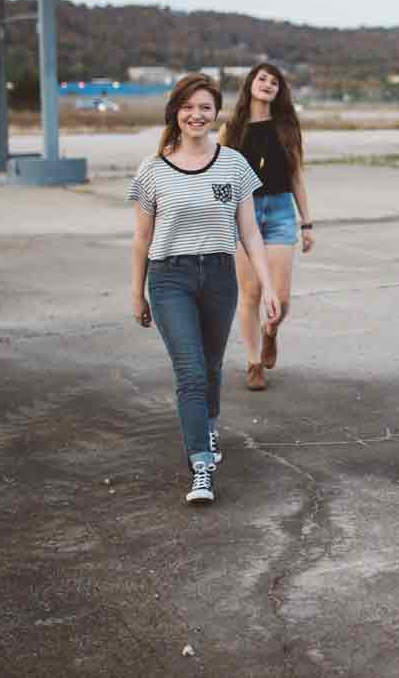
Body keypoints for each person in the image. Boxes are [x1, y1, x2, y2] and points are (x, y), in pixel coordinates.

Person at [129, 73, 281, 505]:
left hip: (218, 275)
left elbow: (250, 231)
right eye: (188, 107)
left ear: (216, 114)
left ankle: (209, 428)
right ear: (175, 111)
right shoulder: (152, 169)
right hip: (169, 278)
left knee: (211, 366)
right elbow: (141, 237)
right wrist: (136, 292)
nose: (196, 115)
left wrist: (267, 287)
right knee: (191, 372)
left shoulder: (233, 164)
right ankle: (200, 465)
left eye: (205, 108)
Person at [219, 63, 314, 392]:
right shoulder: (231, 130)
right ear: (250, 84)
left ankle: (270, 332)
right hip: (242, 215)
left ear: (279, 91)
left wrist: (307, 222)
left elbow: (297, 177)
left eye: (274, 82)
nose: (268, 85)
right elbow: (221, 178)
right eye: (262, 79)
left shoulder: (287, 128)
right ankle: (254, 361)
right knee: (251, 294)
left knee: (282, 297)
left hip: (279, 213)